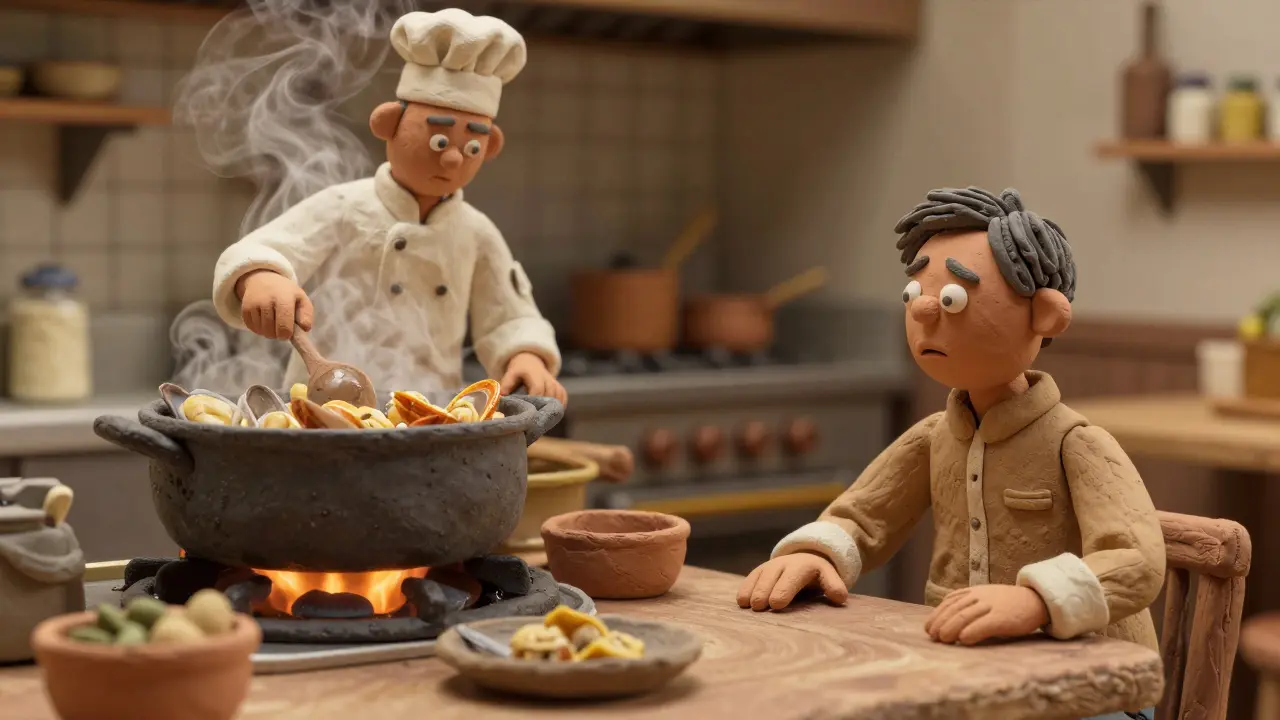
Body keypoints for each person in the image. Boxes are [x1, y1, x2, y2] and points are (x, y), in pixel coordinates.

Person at [736, 187, 1161, 720]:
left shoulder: (1078, 444)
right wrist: (816, 554)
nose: (926, 309)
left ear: (1047, 315)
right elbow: (865, 514)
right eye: (915, 293)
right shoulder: (935, 437)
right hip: (968, 677)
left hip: (1091, 687)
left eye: (954, 297)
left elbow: (1138, 560)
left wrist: (1036, 601)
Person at [210, 9, 566, 404]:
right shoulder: (346, 207)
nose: (452, 160)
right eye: (438, 141)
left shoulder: (476, 231)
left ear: (491, 147)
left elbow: (510, 314)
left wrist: (526, 354)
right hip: (323, 410)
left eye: (472, 146)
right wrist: (261, 276)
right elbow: (268, 248)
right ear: (388, 124)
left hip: (432, 414)